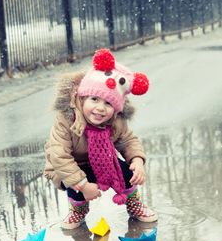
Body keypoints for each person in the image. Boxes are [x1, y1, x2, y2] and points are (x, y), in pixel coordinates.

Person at [44, 48, 158, 229]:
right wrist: (82, 185)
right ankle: (78, 210)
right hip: (69, 165)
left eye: (108, 103)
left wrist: (137, 160)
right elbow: (58, 154)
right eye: (94, 99)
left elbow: (128, 140)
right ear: (83, 97)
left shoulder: (115, 120)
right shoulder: (66, 119)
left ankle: (133, 202)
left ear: (116, 108)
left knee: (128, 174)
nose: (100, 108)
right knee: (72, 181)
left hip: (103, 160)